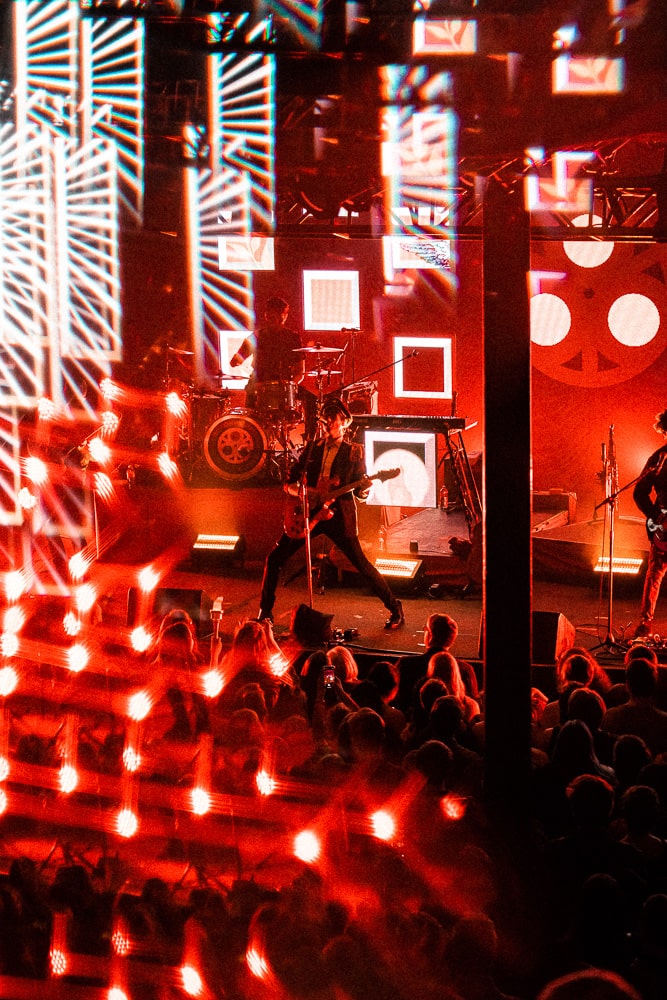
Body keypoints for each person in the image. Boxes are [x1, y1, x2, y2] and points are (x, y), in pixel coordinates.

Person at [257, 395, 404, 630]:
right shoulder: (312, 449)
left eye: (332, 420)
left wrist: (365, 488)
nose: (327, 424)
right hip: (309, 513)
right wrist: (304, 493)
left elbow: (359, 494)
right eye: (324, 420)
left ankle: (395, 608)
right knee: (274, 559)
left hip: (338, 517)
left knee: (361, 564)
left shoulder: (354, 452)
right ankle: (265, 612)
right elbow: (289, 482)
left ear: (344, 423)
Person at [229, 295, 316, 435]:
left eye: (277, 316)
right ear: (267, 315)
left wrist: (290, 386)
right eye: (272, 316)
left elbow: (300, 371)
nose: (274, 319)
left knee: (312, 400)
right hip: (259, 386)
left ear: (284, 317)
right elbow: (234, 362)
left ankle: (310, 440)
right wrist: (241, 355)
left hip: (284, 388)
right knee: (251, 423)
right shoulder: (257, 336)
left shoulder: (293, 338)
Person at [633, 407, 667, 637]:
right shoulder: (659, 458)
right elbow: (639, 492)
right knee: (655, 572)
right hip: (664, 525)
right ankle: (645, 623)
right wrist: (656, 515)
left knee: (654, 573)